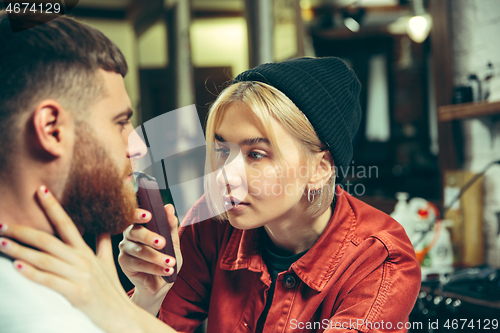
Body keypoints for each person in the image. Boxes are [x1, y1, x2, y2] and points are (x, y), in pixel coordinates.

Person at [2, 51, 421, 331]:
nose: (225, 175)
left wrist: (108, 305)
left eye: (257, 154)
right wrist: (148, 296)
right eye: (221, 150)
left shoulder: (381, 259)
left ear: (320, 168)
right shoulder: (215, 221)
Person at [0, 11, 179, 333]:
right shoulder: (40, 320)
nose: (137, 146)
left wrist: (137, 303)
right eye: (121, 122)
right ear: (52, 129)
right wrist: (124, 317)